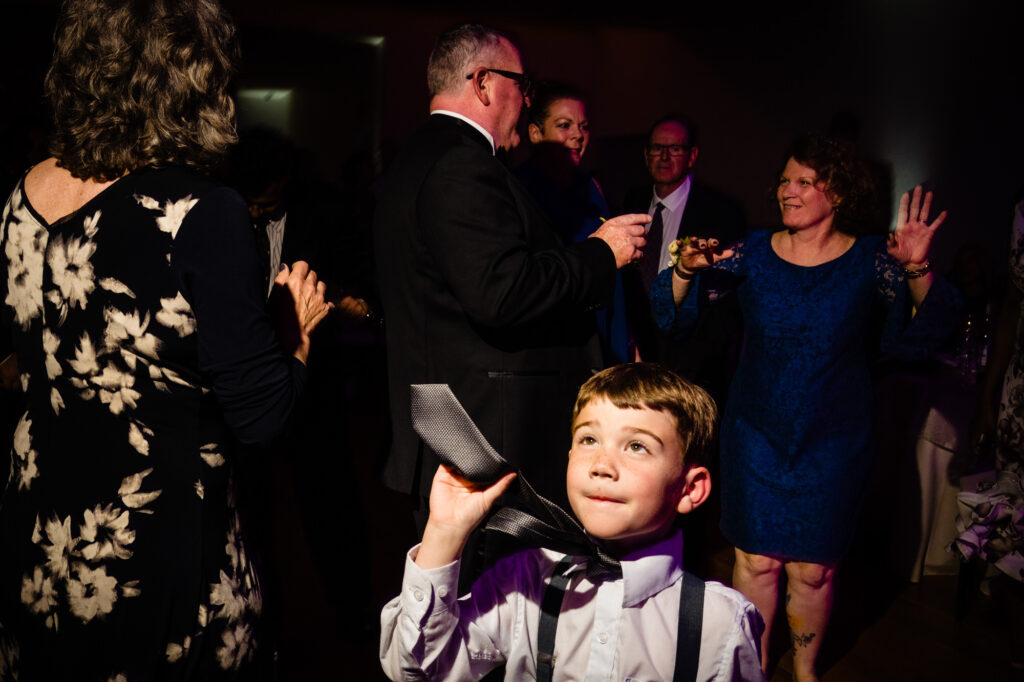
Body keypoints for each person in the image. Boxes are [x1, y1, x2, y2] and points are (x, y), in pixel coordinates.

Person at [0, 1, 331, 679]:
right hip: (159, 548)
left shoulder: (25, 193)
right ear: (193, 81)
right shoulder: (202, 215)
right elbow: (262, 418)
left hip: (41, 531)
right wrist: (296, 335)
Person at [650, 134, 961, 680]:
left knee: (813, 572)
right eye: (783, 180)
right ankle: (756, 665)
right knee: (756, 560)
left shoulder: (870, 261)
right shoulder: (752, 252)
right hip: (755, 435)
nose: (785, 192)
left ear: (835, 193)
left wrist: (917, 268)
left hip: (833, 441)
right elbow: (673, 317)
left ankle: (807, 671)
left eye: (802, 182)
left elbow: (928, 335)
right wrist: (684, 270)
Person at [373, 23, 648, 529]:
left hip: (452, 428)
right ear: (483, 83)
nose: (526, 99)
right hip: (481, 439)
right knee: (494, 596)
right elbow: (502, 293)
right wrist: (600, 253)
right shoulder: (461, 163)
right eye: (523, 86)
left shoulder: (418, 158)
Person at [379, 363, 765, 681]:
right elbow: (416, 670)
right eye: (588, 440)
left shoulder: (721, 623)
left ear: (690, 489)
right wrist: (444, 534)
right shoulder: (527, 578)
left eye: (636, 446)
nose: (601, 466)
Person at [622, 115, 746, 402]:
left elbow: (727, 299)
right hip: (637, 356)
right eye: (657, 148)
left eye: (675, 148)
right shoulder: (631, 202)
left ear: (692, 155)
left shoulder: (722, 211)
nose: (664, 156)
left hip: (695, 365)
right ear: (645, 154)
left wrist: (702, 357)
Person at [515, 80, 628, 364]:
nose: (579, 135)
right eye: (565, 125)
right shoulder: (520, 189)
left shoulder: (591, 186)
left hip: (605, 324)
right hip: (559, 341)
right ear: (536, 133)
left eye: (584, 126)